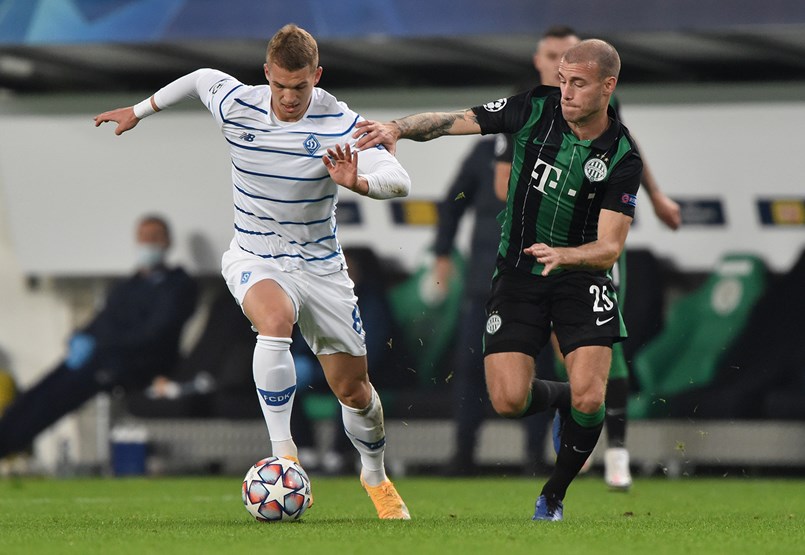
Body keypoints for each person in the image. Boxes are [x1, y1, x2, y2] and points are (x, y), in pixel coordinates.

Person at [94, 24, 412, 519]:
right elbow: (200, 78)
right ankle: (285, 455)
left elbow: (400, 180)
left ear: (317, 76)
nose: (289, 97)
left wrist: (362, 181)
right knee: (274, 320)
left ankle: (374, 474)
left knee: (354, 391)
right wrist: (138, 112)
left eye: (300, 87)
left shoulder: (339, 121)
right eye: (281, 85)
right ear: (267, 74)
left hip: (322, 268)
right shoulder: (238, 102)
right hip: (256, 255)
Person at [355, 39, 642, 521]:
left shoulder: (622, 156)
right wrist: (397, 128)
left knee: (595, 394)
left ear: (607, 87)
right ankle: (562, 398)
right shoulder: (533, 108)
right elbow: (456, 120)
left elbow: (610, 247)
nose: (565, 91)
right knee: (509, 400)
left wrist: (566, 254)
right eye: (563, 80)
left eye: (578, 83)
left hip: (582, 277)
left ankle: (553, 495)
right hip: (518, 277)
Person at [494, 25, 681, 490]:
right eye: (555, 61)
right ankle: (568, 422)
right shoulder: (531, 111)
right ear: (542, 64)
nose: (565, 76)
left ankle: (616, 449)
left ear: (604, 82)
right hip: (530, 250)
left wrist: (655, 197)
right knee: (519, 383)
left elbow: (629, 151)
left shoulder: (602, 114)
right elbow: (502, 182)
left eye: (573, 65)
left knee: (596, 358)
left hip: (585, 249)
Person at [0, 215, 198, 460]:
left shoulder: (179, 285)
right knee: (43, 389)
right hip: (101, 358)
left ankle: (7, 445)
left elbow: (155, 334)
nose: (148, 243)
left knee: (57, 397)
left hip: (138, 366)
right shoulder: (127, 285)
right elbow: (101, 320)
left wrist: (101, 344)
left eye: (154, 237)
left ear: (167, 241)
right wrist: (80, 337)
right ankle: (5, 436)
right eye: (143, 237)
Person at [432, 136, 554, 476]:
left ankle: (534, 456)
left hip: (535, 284)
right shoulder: (485, 153)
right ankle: (464, 453)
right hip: (484, 286)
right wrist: (442, 250)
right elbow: (454, 200)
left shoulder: (557, 151)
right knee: (470, 369)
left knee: (534, 370)